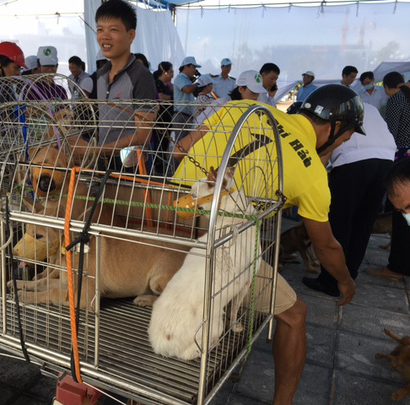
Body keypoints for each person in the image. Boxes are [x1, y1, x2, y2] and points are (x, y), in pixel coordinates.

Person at [172, 84, 364, 404]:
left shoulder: (239, 109)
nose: (342, 144)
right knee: (294, 314)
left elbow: (182, 147)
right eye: (346, 138)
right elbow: (327, 247)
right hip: (213, 243)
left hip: (163, 218)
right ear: (335, 128)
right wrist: (345, 281)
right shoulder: (313, 173)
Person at [303, 103, 396, 296]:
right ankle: (349, 275)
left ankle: (330, 281)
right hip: (386, 161)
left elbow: (325, 149)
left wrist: (311, 185)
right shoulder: (370, 107)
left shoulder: (336, 108)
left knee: (339, 223)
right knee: (364, 223)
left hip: (353, 163)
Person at [70, 0, 157, 170]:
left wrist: (96, 150)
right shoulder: (101, 76)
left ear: (131, 35)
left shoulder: (141, 76)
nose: (105, 36)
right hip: (104, 164)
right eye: (100, 29)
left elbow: (143, 136)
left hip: (132, 166)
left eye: (114, 30)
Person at [365, 72, 410, 281]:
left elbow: (390, 131)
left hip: (401, 157)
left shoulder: (396, 99)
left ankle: (397, 267)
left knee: (399, 211)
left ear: (387, 87)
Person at [173, 56, 201, 142]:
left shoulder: (188, 80)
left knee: (186, 143)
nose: (194, 70)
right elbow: (187, 90)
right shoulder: (180, 78)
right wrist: (199, 82)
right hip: (181, 115)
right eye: (193, 67)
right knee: (181, 144)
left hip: (187, 116)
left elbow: (195, 93)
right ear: (186, 67)